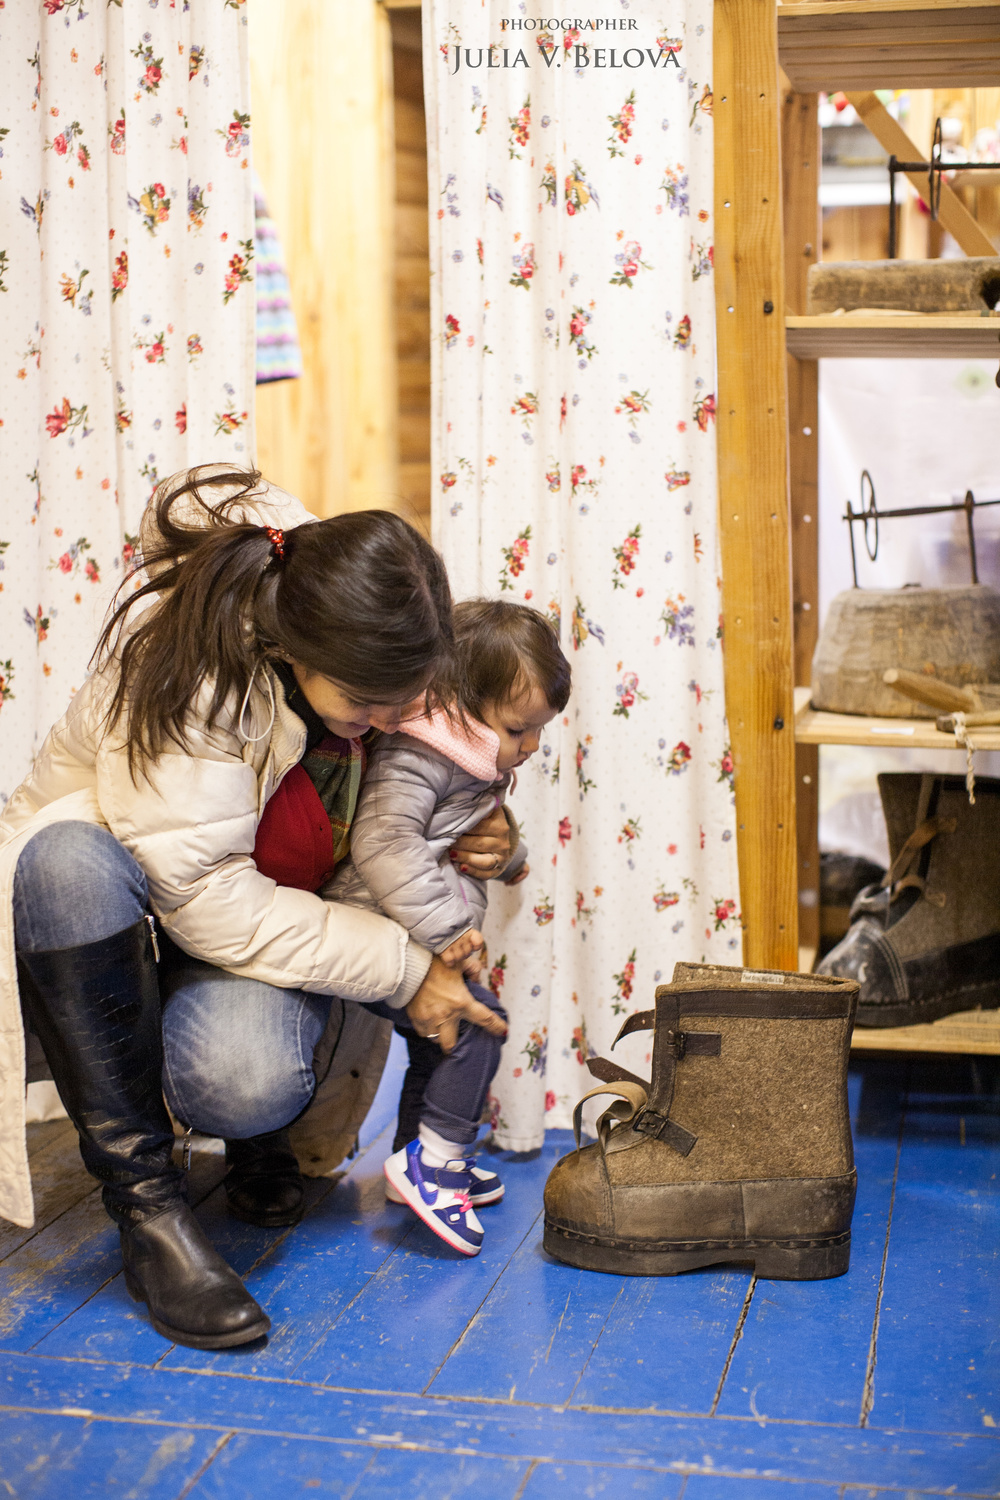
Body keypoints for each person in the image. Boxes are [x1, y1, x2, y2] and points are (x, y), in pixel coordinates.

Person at [0, 465, 512, 1352]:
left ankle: (257, 1137)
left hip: (237, 920)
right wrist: (406, 969)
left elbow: (405, 787)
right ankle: (149, 1214)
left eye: (409, 700)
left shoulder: (354, 620)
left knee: (248, 1079)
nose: (389, 721)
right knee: (66, 862)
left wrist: (487, 829)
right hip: (119, 941)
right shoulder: (190, 676)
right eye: (366, 703)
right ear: (294, 656)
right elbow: (202, 896)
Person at [329, 600, 572, 1255]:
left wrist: (513, 858)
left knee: (439, 1045)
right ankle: (432, 1163)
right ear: (463, 705)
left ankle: (423, 1154)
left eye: (539, 732)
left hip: (415, 931)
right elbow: (384, 843)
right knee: (475, 1027)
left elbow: (465, 832)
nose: (532, 747)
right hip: (378, 929)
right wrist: (442, 928)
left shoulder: (470, 760)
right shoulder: (421, 753)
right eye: (520, 729)